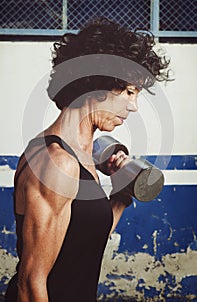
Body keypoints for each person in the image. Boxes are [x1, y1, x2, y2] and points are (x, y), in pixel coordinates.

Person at [5, 17, 170, 302]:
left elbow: (85, 241)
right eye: (130, 92)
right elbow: (31, 284)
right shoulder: (57, 162)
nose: (134, 106)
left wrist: (122, 192)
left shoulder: (81, 155)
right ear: (95, 85)